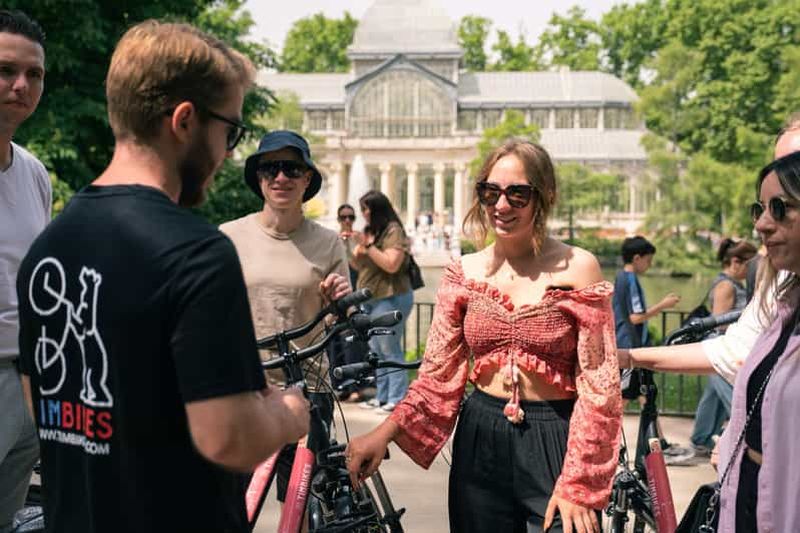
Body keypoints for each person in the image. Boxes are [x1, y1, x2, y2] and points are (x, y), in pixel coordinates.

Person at [16, 21, 308, 533]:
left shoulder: (48, 246)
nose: (228, 153)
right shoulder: (197, 254)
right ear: (185, 121)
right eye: (230, 131)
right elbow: (229, 439)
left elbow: (37, 393)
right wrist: (288, 412)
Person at [346, 140, 622, 533]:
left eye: (517, 193)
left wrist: (580, 483)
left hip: (556, 439)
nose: (501, 205)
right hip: (481, 437)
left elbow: (600, 387)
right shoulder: (465, 272)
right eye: (490, 192)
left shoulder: (578, 268)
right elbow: (437, 375)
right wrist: (384, 433)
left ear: (545, 196)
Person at [220, 129, 351, 508]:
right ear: (258, 177)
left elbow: (341, 319)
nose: (281, 178)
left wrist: (338, 303)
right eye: (270, 168)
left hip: (307, 391)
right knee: (231, 505)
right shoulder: (228, 237)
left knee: (305, 506)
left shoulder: (328, 242)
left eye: (292, 169)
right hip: (244, 390)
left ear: (307, 178)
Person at [715, 150, 800, 532]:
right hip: (751, 502)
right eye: (760, 209)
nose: (763, 225)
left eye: (780, 208)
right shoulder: (785, 308)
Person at [0, 10, 49, 532]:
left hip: (30, 378)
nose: (21, 85)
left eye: (33, 74)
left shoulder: (34, 173)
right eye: (6, 70)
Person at [681, 239, 757, 462]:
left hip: (726, 348)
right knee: (735, 398)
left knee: (713, 397)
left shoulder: (733, 283)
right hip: (723, 348)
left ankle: (701, 439)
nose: (752, 272)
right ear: (735, 262)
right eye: (749, 266)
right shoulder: (726, 285)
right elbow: (717, 321)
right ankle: (746, 434)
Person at [351, 190, 414, 413]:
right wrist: (357, 252)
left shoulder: (393, 231)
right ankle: (383, 395)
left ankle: (397, 398)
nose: (363, 214)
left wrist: (368, 248)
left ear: (377, 208)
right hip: (373, 297)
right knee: (376, 349)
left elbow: (391, 264)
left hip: (391, 297)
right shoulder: (374, 232)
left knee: (389, 348)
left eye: (366, 209)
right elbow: (362, 268)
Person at [612, 236, 681, 352]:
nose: (650, 264)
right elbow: (636, 317)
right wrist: (663, 305)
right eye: (648, 260)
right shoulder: (630, 280)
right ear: (637, 258)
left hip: (621, 341)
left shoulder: (621, 277)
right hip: (628, 344)